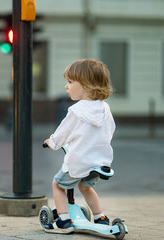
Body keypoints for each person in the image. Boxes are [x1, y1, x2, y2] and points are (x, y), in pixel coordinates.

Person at [43, 59, 115, 234]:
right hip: (100, 162)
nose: (66, 86)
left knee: (58, 184)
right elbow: (110, 129)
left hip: (80, 161)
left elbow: (63, 132)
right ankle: (100, 217)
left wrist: (51, 142)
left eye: (70, 82)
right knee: (85, 186)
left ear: (87, 86)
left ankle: (64, 221)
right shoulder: (105, 108)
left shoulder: (76, 110)